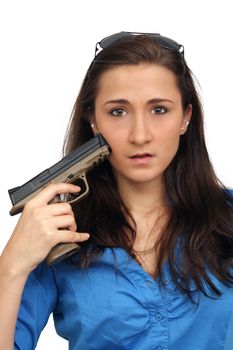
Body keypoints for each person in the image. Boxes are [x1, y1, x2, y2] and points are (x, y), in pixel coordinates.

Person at [0, 31, 233, 350]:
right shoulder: (56, 233)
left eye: (159, 110)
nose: (140, 135)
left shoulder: (229, 217)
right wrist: (11, 266)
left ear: (186, 117)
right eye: (118, 112)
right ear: (93, 120)